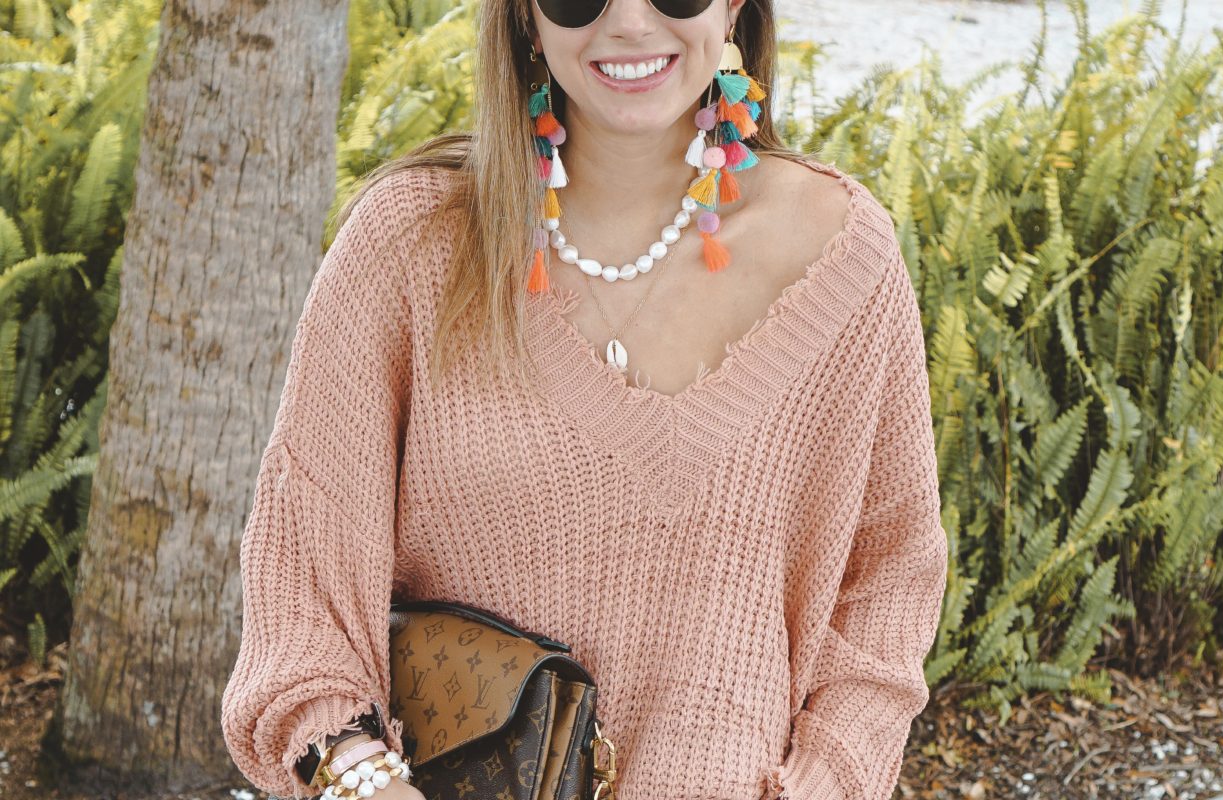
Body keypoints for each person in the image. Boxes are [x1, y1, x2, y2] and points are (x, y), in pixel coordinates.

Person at [219, 0, 949, 798]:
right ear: (527, 18)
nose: (630, 22)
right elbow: (302, 598)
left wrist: (828, 778)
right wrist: (366, 781)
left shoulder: (842, 256)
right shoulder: (410, 246)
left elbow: (889, 580)